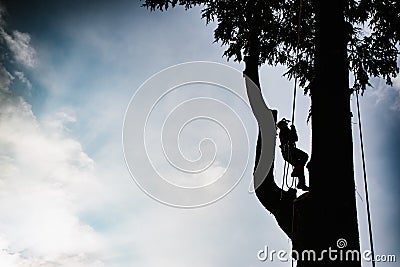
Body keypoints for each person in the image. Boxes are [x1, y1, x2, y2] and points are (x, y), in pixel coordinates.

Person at [276, 118, 309, 191]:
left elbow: (295, 138)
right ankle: (301, 183)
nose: (286, 125)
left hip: (289, 152)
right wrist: (293, 129)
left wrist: (293, 130)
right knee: (304, 156)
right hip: (289, 152)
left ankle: (301, 184)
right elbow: (294, 138)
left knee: (300, 166)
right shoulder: (284, 132)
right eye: (285, 124)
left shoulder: (285, 131)